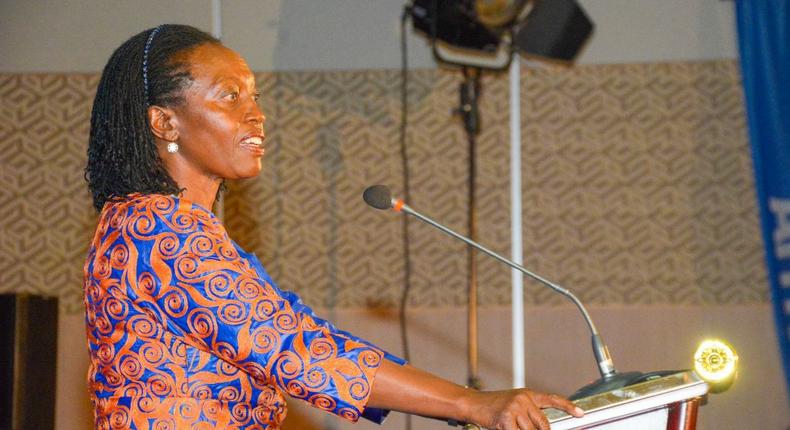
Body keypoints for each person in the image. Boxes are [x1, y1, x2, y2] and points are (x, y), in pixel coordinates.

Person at [83, 24, 583, 430]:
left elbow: (296, 339)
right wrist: (471, 404)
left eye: (254, 96)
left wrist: (467, 401)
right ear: (164, 123)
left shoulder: (145, 221)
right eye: (229, 96)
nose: (255, 115)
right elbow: (294, 351)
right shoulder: (158, 229)